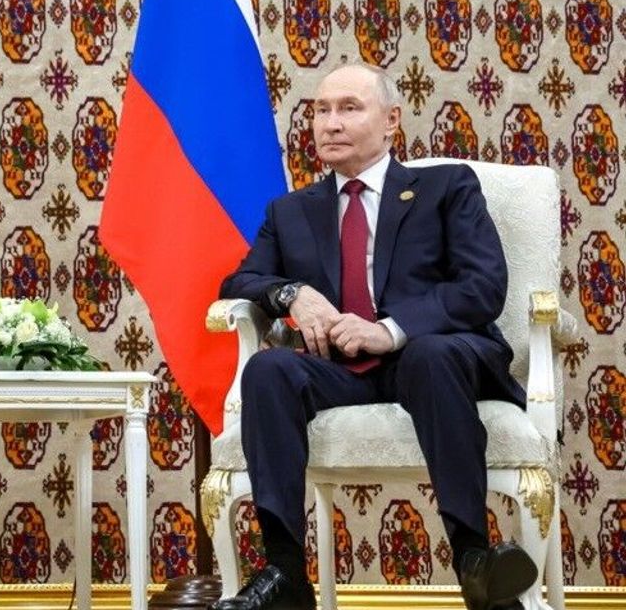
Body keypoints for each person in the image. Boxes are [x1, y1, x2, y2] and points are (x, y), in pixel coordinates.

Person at [212, 63, 537, 610]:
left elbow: (483, 287)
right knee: (268, 369)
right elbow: (240, 281)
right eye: (321, 110)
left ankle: (474, 559)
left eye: (349, 108)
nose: (330, 123)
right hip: (341, 369)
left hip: (436, 363)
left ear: (391, 121)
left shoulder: (446, 187)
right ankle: (286, 572)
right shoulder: (290, 212)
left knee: (430, 355)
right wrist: (292, 294)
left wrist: (391, 330)